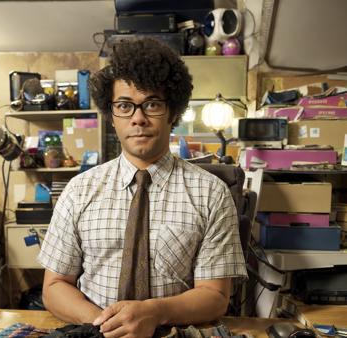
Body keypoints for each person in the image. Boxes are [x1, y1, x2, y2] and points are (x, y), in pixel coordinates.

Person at [37, 38, 247, 338]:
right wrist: (108, 326)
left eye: (151, 104)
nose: (138, 118)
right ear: (111, 116)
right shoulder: (79, 191)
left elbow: (215, 296)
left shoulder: (212, 194)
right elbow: (55, 286)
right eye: (124, 105)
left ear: (172, 112)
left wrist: (155, 313)